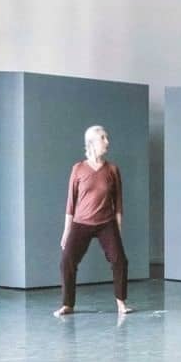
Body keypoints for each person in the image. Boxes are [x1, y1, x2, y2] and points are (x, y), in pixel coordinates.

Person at [54, 125, 134, 317]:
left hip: (106, 223)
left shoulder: (112, 170)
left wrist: (118, 231)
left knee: (120, 260)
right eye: (103, 138)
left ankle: (121, 302)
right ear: (91, 143)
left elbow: (118, 204)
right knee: (66, 261)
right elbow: (70, 203)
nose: (107, 141)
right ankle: (68, 304)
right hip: (81, 223)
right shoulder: (78, 169)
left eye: (106, 137)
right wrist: (66, 231)